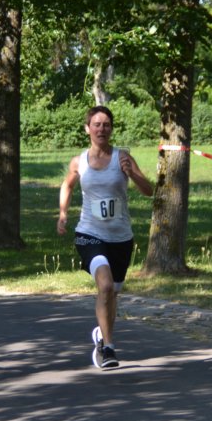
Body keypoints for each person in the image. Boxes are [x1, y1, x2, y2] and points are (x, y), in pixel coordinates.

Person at [57, 105, 153, 369]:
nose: (102, 129)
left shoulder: (123, 158)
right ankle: (108, 348)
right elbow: (67, 185)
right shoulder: (79, 161)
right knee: (106, 286)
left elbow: (148, 190)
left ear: (111, 129)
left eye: (106, 125)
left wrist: (131, 173)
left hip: (121, 237)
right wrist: (63, 213)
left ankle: (103, 332)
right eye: (97, 124)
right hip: (89, 232)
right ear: (87, 129)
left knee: (112, 294)